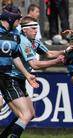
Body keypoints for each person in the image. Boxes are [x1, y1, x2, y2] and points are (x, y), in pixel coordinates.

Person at [0, 16, 66, 138]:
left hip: (19, 79)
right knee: (25, 115)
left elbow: (49, 53)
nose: (36, 31)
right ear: (24, 30)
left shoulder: (34, 41)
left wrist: (67, 51)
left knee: (30, 114)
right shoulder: (23, 41)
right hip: (10, 79)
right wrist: (56, 62)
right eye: (33, 28)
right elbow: (34, 64)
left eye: (36, 28)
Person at [0, 4, 39, 138]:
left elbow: (15, 56)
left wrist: (27, 75)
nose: (19, 22)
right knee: (25, 115)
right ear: (10, 19)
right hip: (4, 78)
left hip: (5, 77)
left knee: (28, 114)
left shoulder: (15, 34)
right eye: (18, 19)